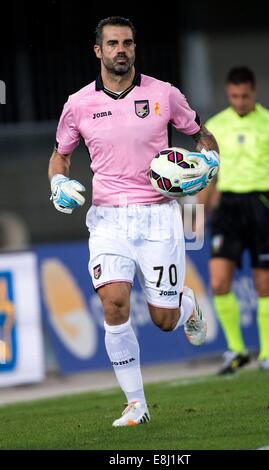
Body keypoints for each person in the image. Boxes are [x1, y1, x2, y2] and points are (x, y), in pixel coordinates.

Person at [48, 16, 220, 426]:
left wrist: (210, 160)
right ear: (98, 51)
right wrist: (58, 181)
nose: (120, 49)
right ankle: (136, 404)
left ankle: (186, 303)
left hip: (159, 218)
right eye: (112, 44)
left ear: (134, 48)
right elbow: (61, 154)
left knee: (163, 321)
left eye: (127, 43)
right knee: (114, 302)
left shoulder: (164, 94)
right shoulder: (78, 104)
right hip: (107, 218)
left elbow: (201, 133)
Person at [199, 66, 269, 374]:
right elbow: (207, 176)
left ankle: (266, 355)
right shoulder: (215, 126)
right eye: (234, 96)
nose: (239, 101)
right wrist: (197, 213)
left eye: (244, 96)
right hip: (228, 206)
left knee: (264, 283)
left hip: (262, 204)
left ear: (253, 92)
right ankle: (237, 350)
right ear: (228, 94)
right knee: (218, 280)